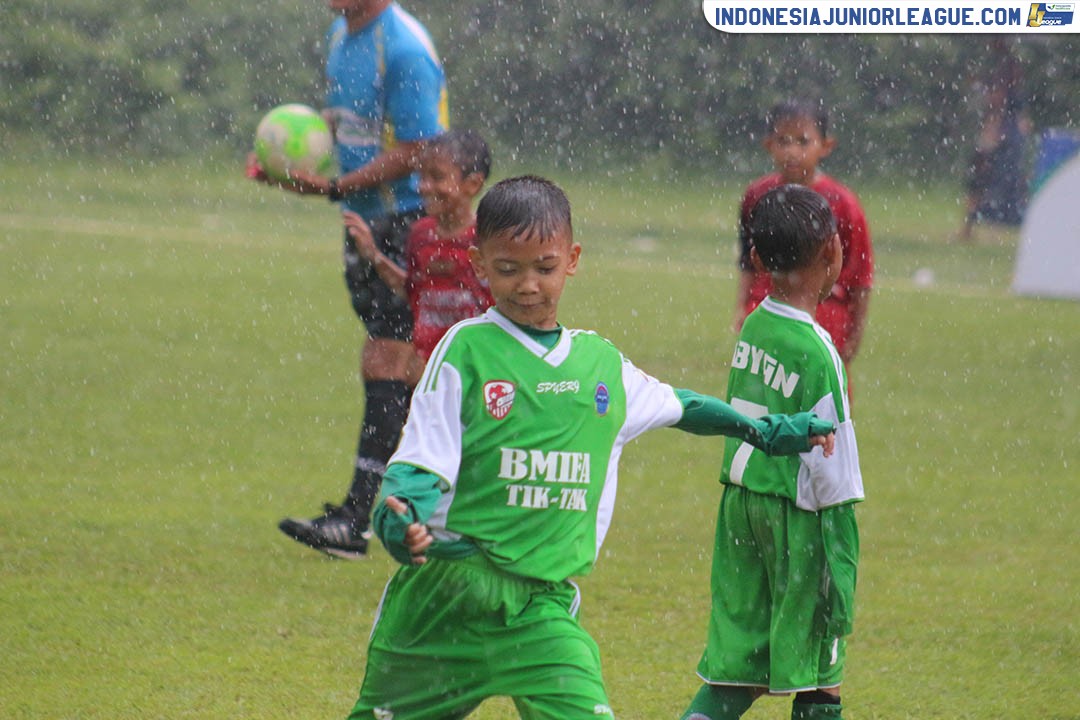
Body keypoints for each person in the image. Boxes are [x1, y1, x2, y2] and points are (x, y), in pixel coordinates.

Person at [345, 175, 837, 720]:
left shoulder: (599, 365)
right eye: (508, 269)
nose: (528, 285)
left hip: (540, 609)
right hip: (445, 596)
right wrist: (399, 517)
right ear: (480, 263)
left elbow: (684, 406)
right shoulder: (467, 350)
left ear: (572, 259)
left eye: (544, 267)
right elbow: (421, 456)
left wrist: (768, 432)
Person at [250, 0, 449, 558]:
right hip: (366, 217)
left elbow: (419, 150)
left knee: (395, 359)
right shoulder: (343, 32)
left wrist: (335, 187)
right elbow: (347, 127)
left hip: (407, 220)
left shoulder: (404, 48)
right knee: (409, 368)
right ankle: (411, 512)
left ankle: (363, 519)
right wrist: (285, 161)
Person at [682, 185, 864, 720]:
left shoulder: (755, 325)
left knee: (739, 661)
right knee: (821, 660)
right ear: (833, 252)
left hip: (741, 504)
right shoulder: (819, 349)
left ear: (757, 258)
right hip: (798, 515)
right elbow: (836, 472)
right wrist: (842, 553)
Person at [343, 128, 494, 379]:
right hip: (426, 373)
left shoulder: (487, 239)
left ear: (472, 184)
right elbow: (413, 290)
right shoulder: (420, 235)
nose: (424, 187)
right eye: (422, 176)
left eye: (437, 177)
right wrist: (374, 256)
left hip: (476, 371)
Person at [733, 100, 873, 370]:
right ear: (768, 144)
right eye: (783, 141)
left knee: (820, 397)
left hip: (826, 314)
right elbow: (748, 260)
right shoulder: (756, 195)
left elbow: (860, 276)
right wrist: (741, 306)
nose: (792, 151)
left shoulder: (844, 204)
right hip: (766, 310)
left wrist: (854, 335)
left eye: (803, 141)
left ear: (826, 146)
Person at [958, 36, 1030, 241]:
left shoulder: (1004, 69)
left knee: (990, 181)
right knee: (988, 181)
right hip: (999, 134)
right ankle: (973, 228)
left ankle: (975, 228)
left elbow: (998, 101)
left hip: (999, 134)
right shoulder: (1001, 67)